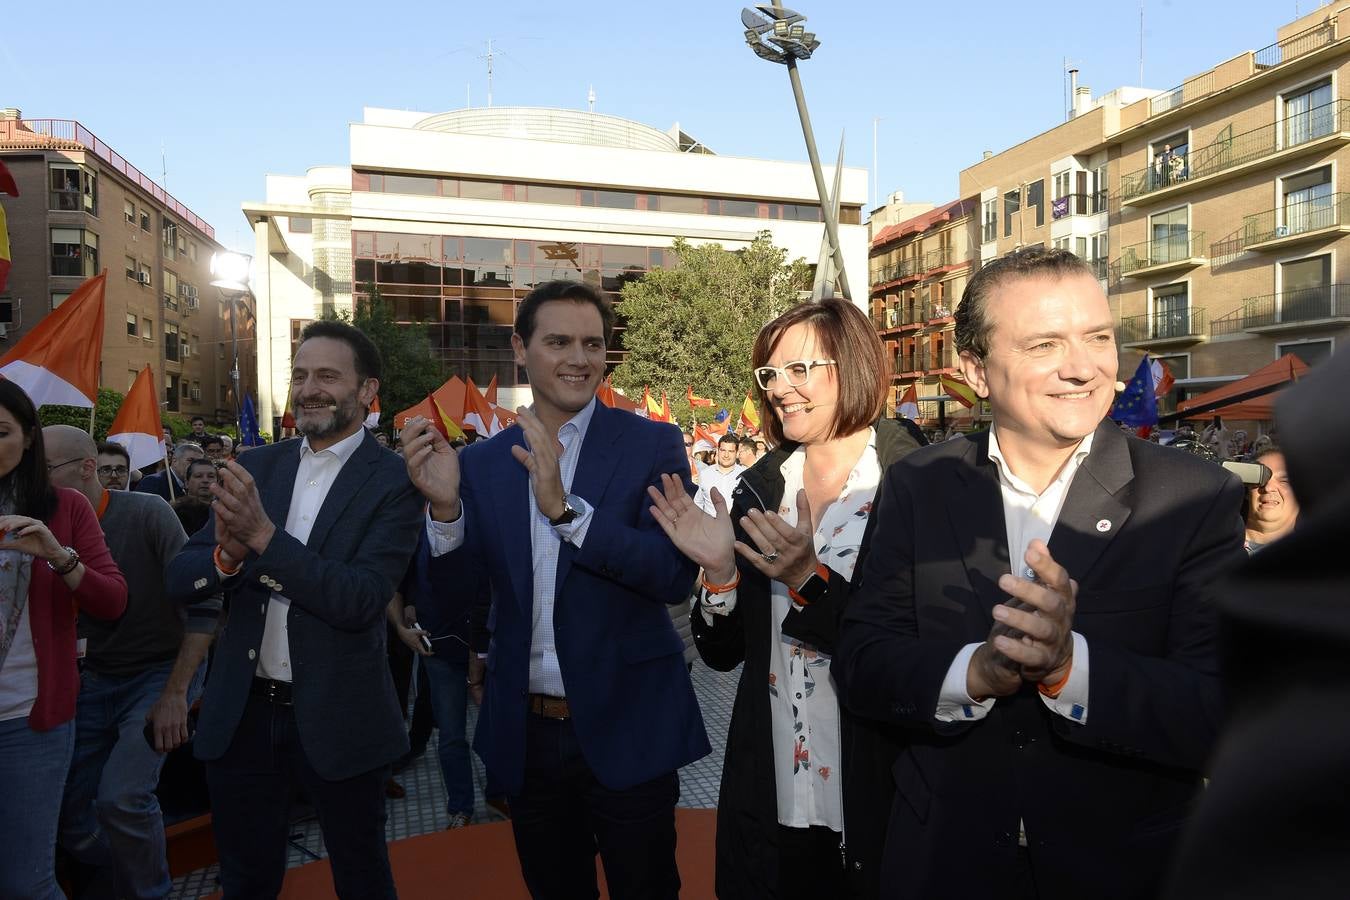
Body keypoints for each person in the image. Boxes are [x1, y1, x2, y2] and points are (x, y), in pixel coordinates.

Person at [834, 247, 1246, 900]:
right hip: (945, 863)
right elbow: (862, 662)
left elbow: (1220, 708)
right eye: (1046, 344)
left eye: (1098, 338)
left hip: (1121, 871)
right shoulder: (919, 483)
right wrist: (974, 673)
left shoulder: (1194, 498)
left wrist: (1067, 668)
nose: (1082, 368)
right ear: (976, 368)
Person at [404, 279, 709, 900]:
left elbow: (671, 575)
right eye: (559, 341)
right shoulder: (485, 464)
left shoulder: (651, 443)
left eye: (593, 344)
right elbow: (452, 608)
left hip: (630, 722)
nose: (580, 358)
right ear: (521, 348)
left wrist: (568, 514)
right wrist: (444, 515)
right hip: (528, 733)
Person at [647, 298, 920, 898]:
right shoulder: (761, 485)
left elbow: (917, 648)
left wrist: (808, 580)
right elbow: (722, 654)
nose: (779, 388)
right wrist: (718, 573)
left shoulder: (921, 479)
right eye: (769, 374)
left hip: (877, 768)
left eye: (799, 369)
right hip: (774, 771)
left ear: (851, 366)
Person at [164, 320, 424, 899]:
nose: (309, 388)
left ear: (366, 391)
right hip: (243, 717)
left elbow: (359, 599)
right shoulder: (258, 465)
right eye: (301, 375)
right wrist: (227, 561)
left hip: (342, 716)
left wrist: (262, 537)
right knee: (246, 878)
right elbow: (183, 574)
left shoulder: (396, 481)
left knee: (361, 876)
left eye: (328, 376)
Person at [1162, 347, 1349, 900]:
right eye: (1262, 476)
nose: (1270, 488)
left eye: (1290, 478)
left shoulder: (1316, 588)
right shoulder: (1208, 556)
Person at [44, 425, 217, 900]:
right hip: (89, 680)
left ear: (84, 469)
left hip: (158, 671)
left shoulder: (146, 512)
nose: (32, 479)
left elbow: (205, 603)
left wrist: (176, 693)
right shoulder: (37, 525)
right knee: (70, 817)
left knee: (122, 797)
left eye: (44, 469)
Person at [0, 381, 127, 900]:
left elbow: (112, 602)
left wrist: (57, 553)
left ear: (29, 438)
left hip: (29, 721)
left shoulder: (65, 508)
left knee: (26, 882)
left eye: (1, 431)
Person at [1243, 445, 1298, 553]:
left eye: (1284, 481)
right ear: (1246, 491)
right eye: (1259, 479)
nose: (1268, 488)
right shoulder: (1213, 545)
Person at [694, 434, 745, 517]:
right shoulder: (705, 474)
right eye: (723, 450)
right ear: (717, 451)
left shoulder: (745, 475)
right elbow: (698, 502)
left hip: (736, 527)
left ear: (737, 453)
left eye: (731, 451)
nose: (726, 455)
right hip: (709, 526)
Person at [137, 441, 203, 503]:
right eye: (190, 460)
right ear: (175, 460)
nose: (195, 465)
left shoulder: (199, 485)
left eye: (199, 462)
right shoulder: (153, 482)